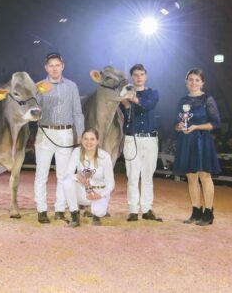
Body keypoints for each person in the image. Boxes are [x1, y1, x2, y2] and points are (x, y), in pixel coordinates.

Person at [34, 52, 85, 224]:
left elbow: (77, 112)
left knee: (64, 174)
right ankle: (41, 210)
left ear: (62, 66)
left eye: (57, 65)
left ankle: (59, 209)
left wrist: (82, 136)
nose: (54, 68)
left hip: (65, 133)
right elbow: (33, 110)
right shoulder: (39, 86)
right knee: (42, 174)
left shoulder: (72, 86)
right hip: (45, 133)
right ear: (46, 67)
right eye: (51, 65)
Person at [174, 68, 222, 226]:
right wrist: (179, 126)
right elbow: (176, 124)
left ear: (202, 82)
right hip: (186, 141)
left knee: (204, 176)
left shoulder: (207, 99)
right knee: (191, 177)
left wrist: (195, 127)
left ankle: (208, 213)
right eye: (191, 80)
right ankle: (196, 211)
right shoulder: (182, 101)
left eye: (197, 80)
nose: (193, 83)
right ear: (186, 82)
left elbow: (216, 123)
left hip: (202, 141)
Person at [119, 64, 162, 222]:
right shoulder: (126, 93)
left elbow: (149, 105)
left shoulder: (153, 93)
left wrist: (133, 98)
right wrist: (125, 103)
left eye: (142, 74)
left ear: (146, 76)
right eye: (136, 74)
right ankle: (132, 210)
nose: (139, 77)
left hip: (150, 138)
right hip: (132, 138)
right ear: (132, 77)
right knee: (132, 176)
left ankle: (147, 209)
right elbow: (127, 113)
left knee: (147, 176)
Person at [63, 128, 115, 227]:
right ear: (81, 140)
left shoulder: (105, 156)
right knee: (67, 182)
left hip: (98, 192)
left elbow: (110, 183)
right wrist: (77, 176)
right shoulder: (76, 152)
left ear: (97, 141)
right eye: (86, 139)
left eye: (92, 139)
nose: (88, 142)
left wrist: (100, 195)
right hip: (83, 192)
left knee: (99, 212)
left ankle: (96, 215)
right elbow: (67, 174)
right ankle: (75, 216)